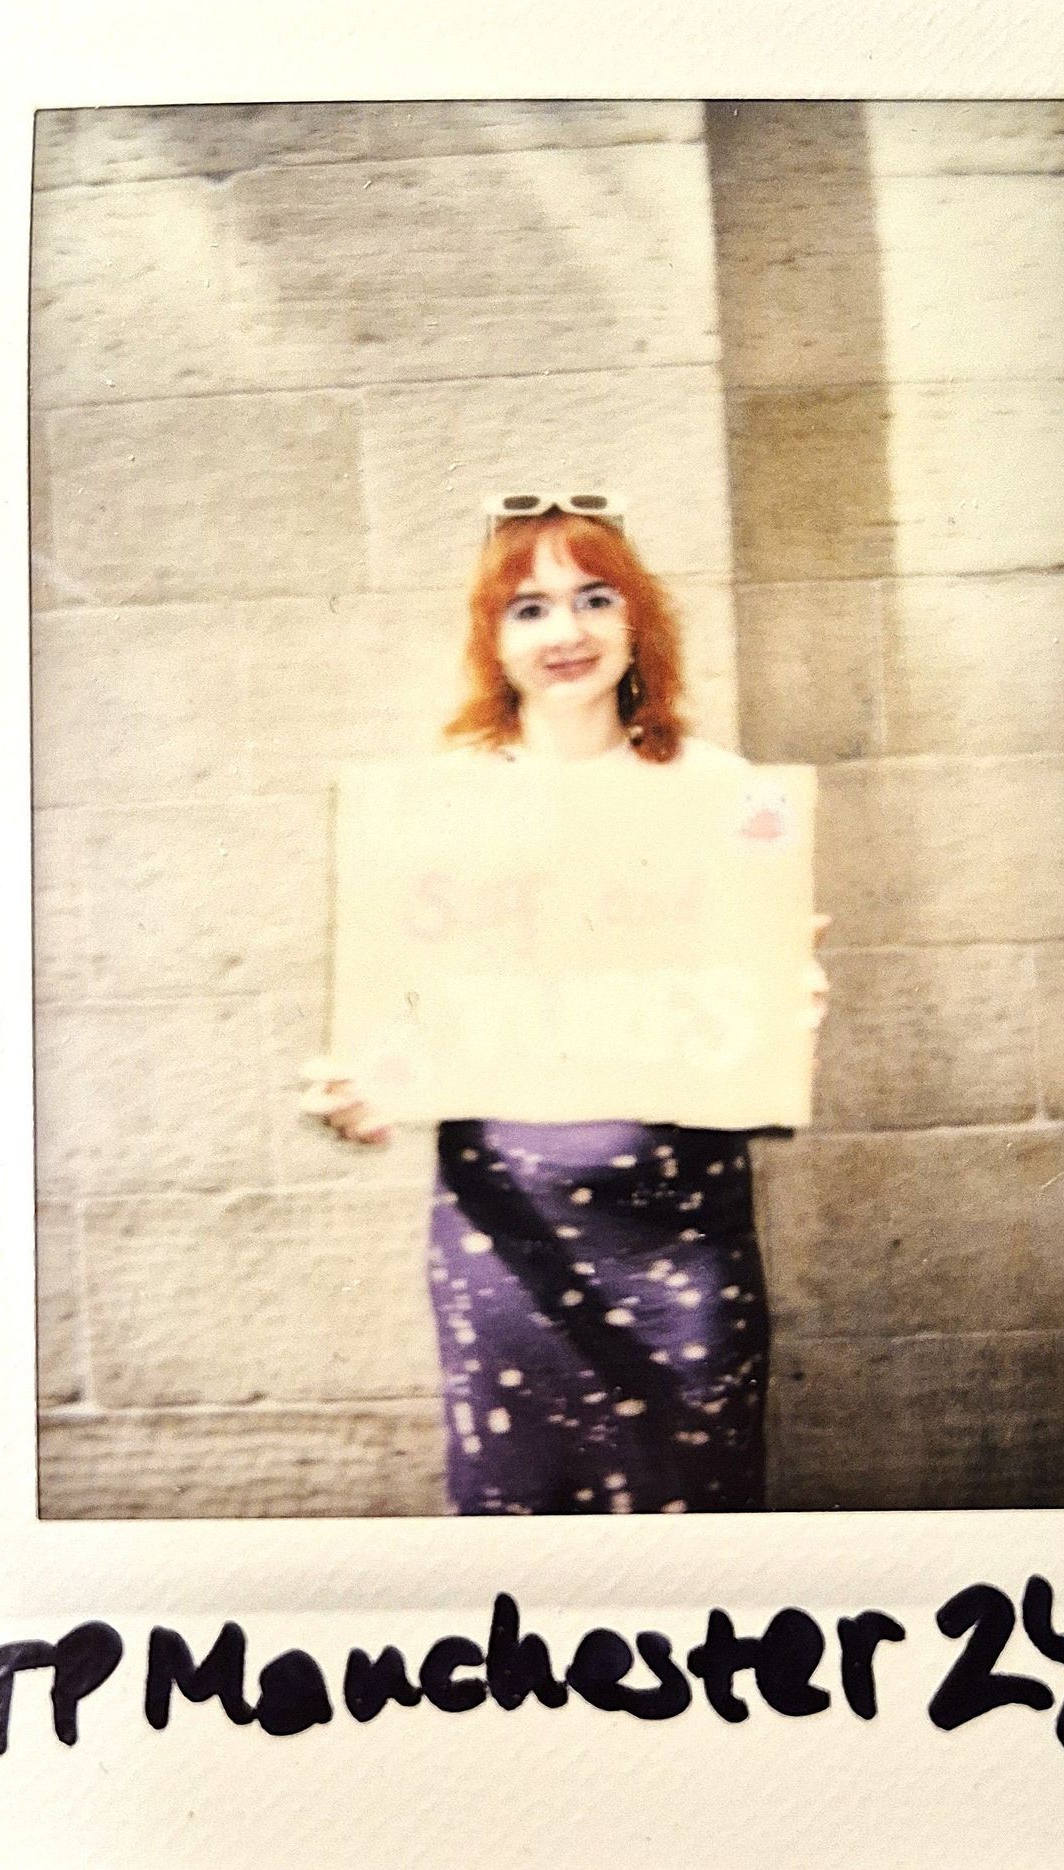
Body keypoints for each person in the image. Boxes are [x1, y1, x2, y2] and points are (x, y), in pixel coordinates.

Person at [310, 498, 828, 1516]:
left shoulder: (723, 795)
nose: (567, 630)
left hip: (682, 1244)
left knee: (693, 1528)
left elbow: (752, 1044)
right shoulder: (438, 808)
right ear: (492, 638)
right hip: (507, 1245)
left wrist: (783, 1026)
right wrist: (364, 1097)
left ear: (638, 620)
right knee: (523, 1527)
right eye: (530, 608)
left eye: (595, 598)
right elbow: (406, 1019)